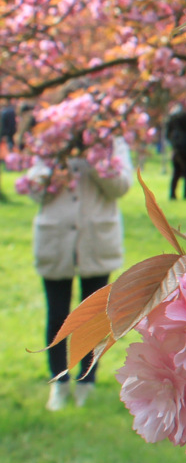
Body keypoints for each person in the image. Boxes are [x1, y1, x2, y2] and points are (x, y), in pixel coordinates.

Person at [26, 135, 133, 410]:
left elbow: (121, 186)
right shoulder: (51, 140)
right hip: (55, 239)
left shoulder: (111, 141)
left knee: (94, 317)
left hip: (95, 240)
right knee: (58, 314)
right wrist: (50, 174)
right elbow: (34, 191)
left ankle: (87, 380)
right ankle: (59, 382)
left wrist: (96, 161)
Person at [164, 104, 186, 201]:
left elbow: (168, 134)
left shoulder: (174, 121)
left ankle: (173, 193)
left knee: (177, 172)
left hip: (177, 148)